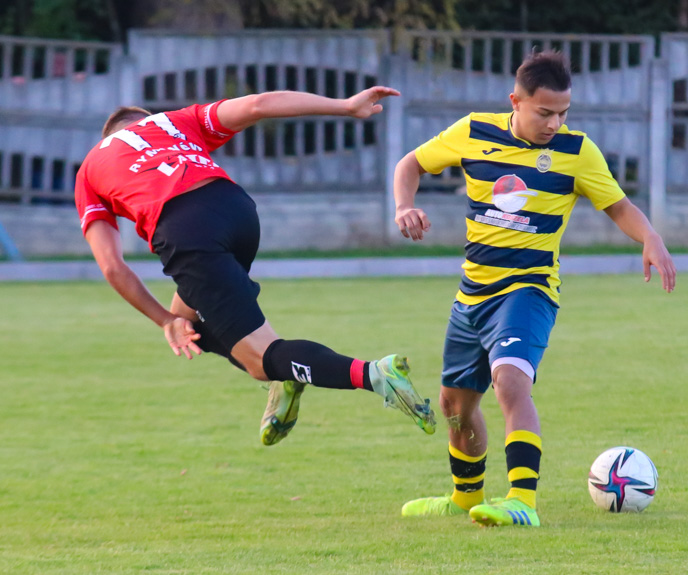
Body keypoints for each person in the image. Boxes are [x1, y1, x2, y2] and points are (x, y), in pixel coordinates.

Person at [394, 51, 675, 527]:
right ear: (516, 102)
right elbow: (410, 164)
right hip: (472, 293)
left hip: (528, 289)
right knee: (454, 404)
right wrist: (404, 205)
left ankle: (522, 499)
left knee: (510, 381)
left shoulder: (576, 151)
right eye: (545, 112)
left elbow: (619, 205)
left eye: (563, 112)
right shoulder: (472, 132)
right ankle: (465, 497)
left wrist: (650, 237)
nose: (555, 122)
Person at [74, 86, 436, 446]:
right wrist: (343, 105)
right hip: (237, 211)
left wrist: (164, 323)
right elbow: (259, 104)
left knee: (261, 357)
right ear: (146, 122)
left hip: (187, 231)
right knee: (188, 316)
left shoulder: (91, 168)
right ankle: (282, 376)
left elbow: (113, 267)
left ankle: (373, 374)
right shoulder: (171, 122)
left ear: (108, 137)